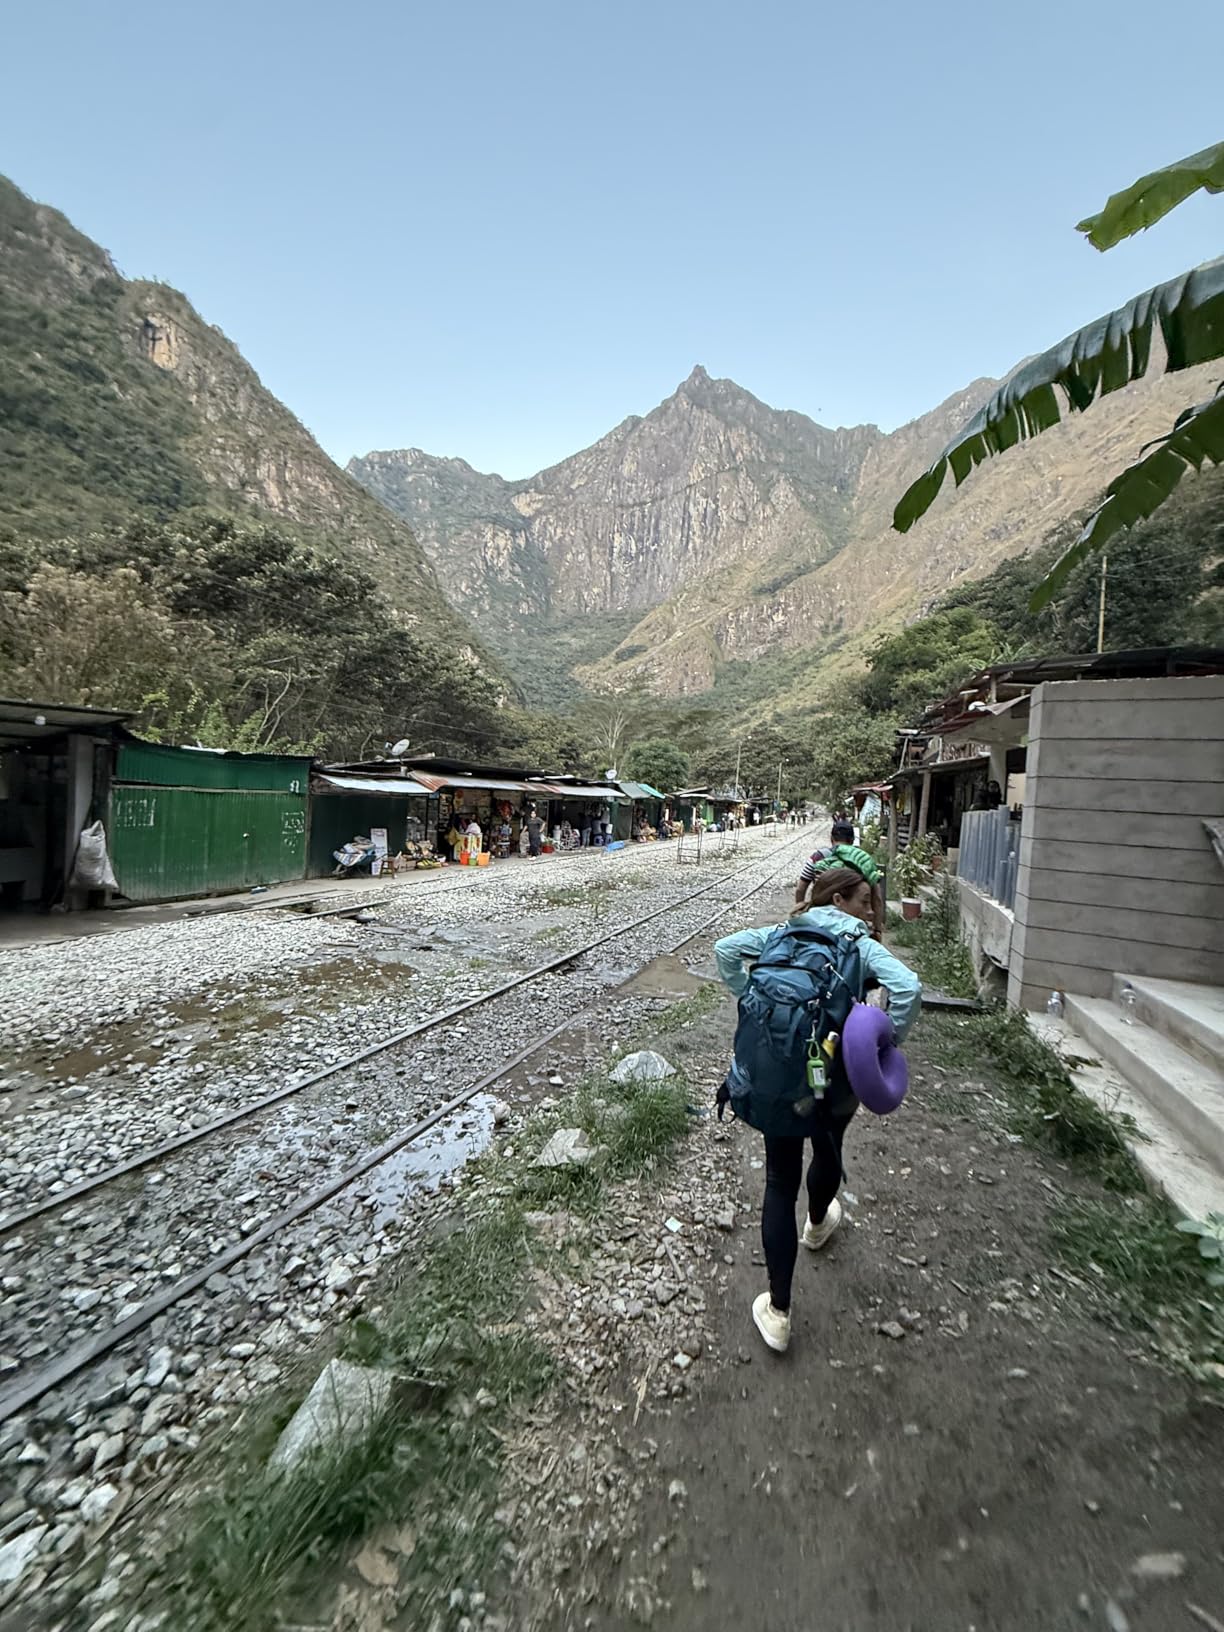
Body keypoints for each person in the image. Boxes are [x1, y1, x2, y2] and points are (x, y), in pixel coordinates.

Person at [714, 868, 921, 1353]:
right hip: (835, 1074)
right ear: (839, 899)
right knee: (828, 1146)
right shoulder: (859, 946)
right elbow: (909, 988)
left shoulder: (781, 933)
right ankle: (818, 1222)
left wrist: (749, 999)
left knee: (779, 1180)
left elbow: (725, 950)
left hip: (780, 1074)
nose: (870, 911)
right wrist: (886, 1041)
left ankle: (778, 1311)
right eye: (865, 901)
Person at [795, 822, 886, 939]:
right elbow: (877, 899)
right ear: (852, 840)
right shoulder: (864, 859)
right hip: (853, 924)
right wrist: (877, 929)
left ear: (831, 838)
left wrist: (801, 913)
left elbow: (800, 889)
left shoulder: (817, 857)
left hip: (820, 919)